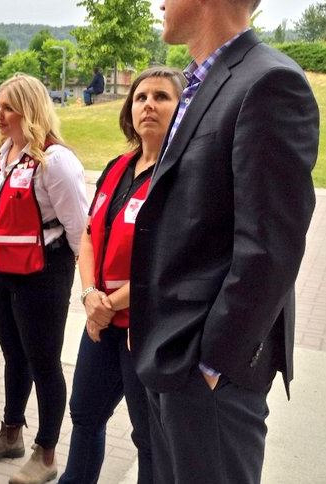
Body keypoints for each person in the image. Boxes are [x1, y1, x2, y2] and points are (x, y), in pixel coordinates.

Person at [130, 0, 319, 484]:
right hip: (168, 356)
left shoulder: (270, 83)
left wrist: (212, 365)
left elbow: (270, 247)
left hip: (208, 373)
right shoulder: (197, 82)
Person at [58, 67, 185, 484]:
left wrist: (109, 305)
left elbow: (169, 261)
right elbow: (91, 234)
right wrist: (91, 296)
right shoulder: (117, 167)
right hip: (102, 320)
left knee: (148, 437)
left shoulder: (179, 175)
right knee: (85, 415)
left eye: (162, 97)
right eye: (140, 97)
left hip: (143, 328)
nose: (148, 104)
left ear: (182, 107)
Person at [0, 73, 88, 484]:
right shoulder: (3, 153)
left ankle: (47, 452)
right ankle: (10, 433)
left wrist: (84, 289)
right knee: (13, 355)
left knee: (43, 362)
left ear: (30, 110)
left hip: (43, 275)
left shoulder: (54, 161)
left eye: (7, 107)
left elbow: (81, 232)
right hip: (1, 272)